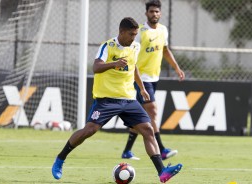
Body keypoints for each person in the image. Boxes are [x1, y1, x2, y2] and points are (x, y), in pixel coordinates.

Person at [51, 17, 182, 183]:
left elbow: (134, 67)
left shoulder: (135, 46)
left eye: (135, 35)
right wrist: (114, 64)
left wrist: (141, 88)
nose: (133, 38)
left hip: (128, 98)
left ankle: (162, 172)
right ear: (121, 32)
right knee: (89, 130)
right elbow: (96, 67)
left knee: (148, 129)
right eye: (130, 34)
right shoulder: (108, 46)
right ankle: (60, 158)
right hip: (106, 99)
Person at [121, 0, 185, 161]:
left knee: (142, 116)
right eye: (151, 12)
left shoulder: (163, 30)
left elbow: (165, 49)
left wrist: (177, 68)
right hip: (141, 78)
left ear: (160, 13)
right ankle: (162, 150)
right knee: (153, 111)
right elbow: (129, 49)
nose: (154, 14)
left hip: (154, 77)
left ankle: (127, 151)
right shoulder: (141, 32)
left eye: (157, 11)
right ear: (146, 13)